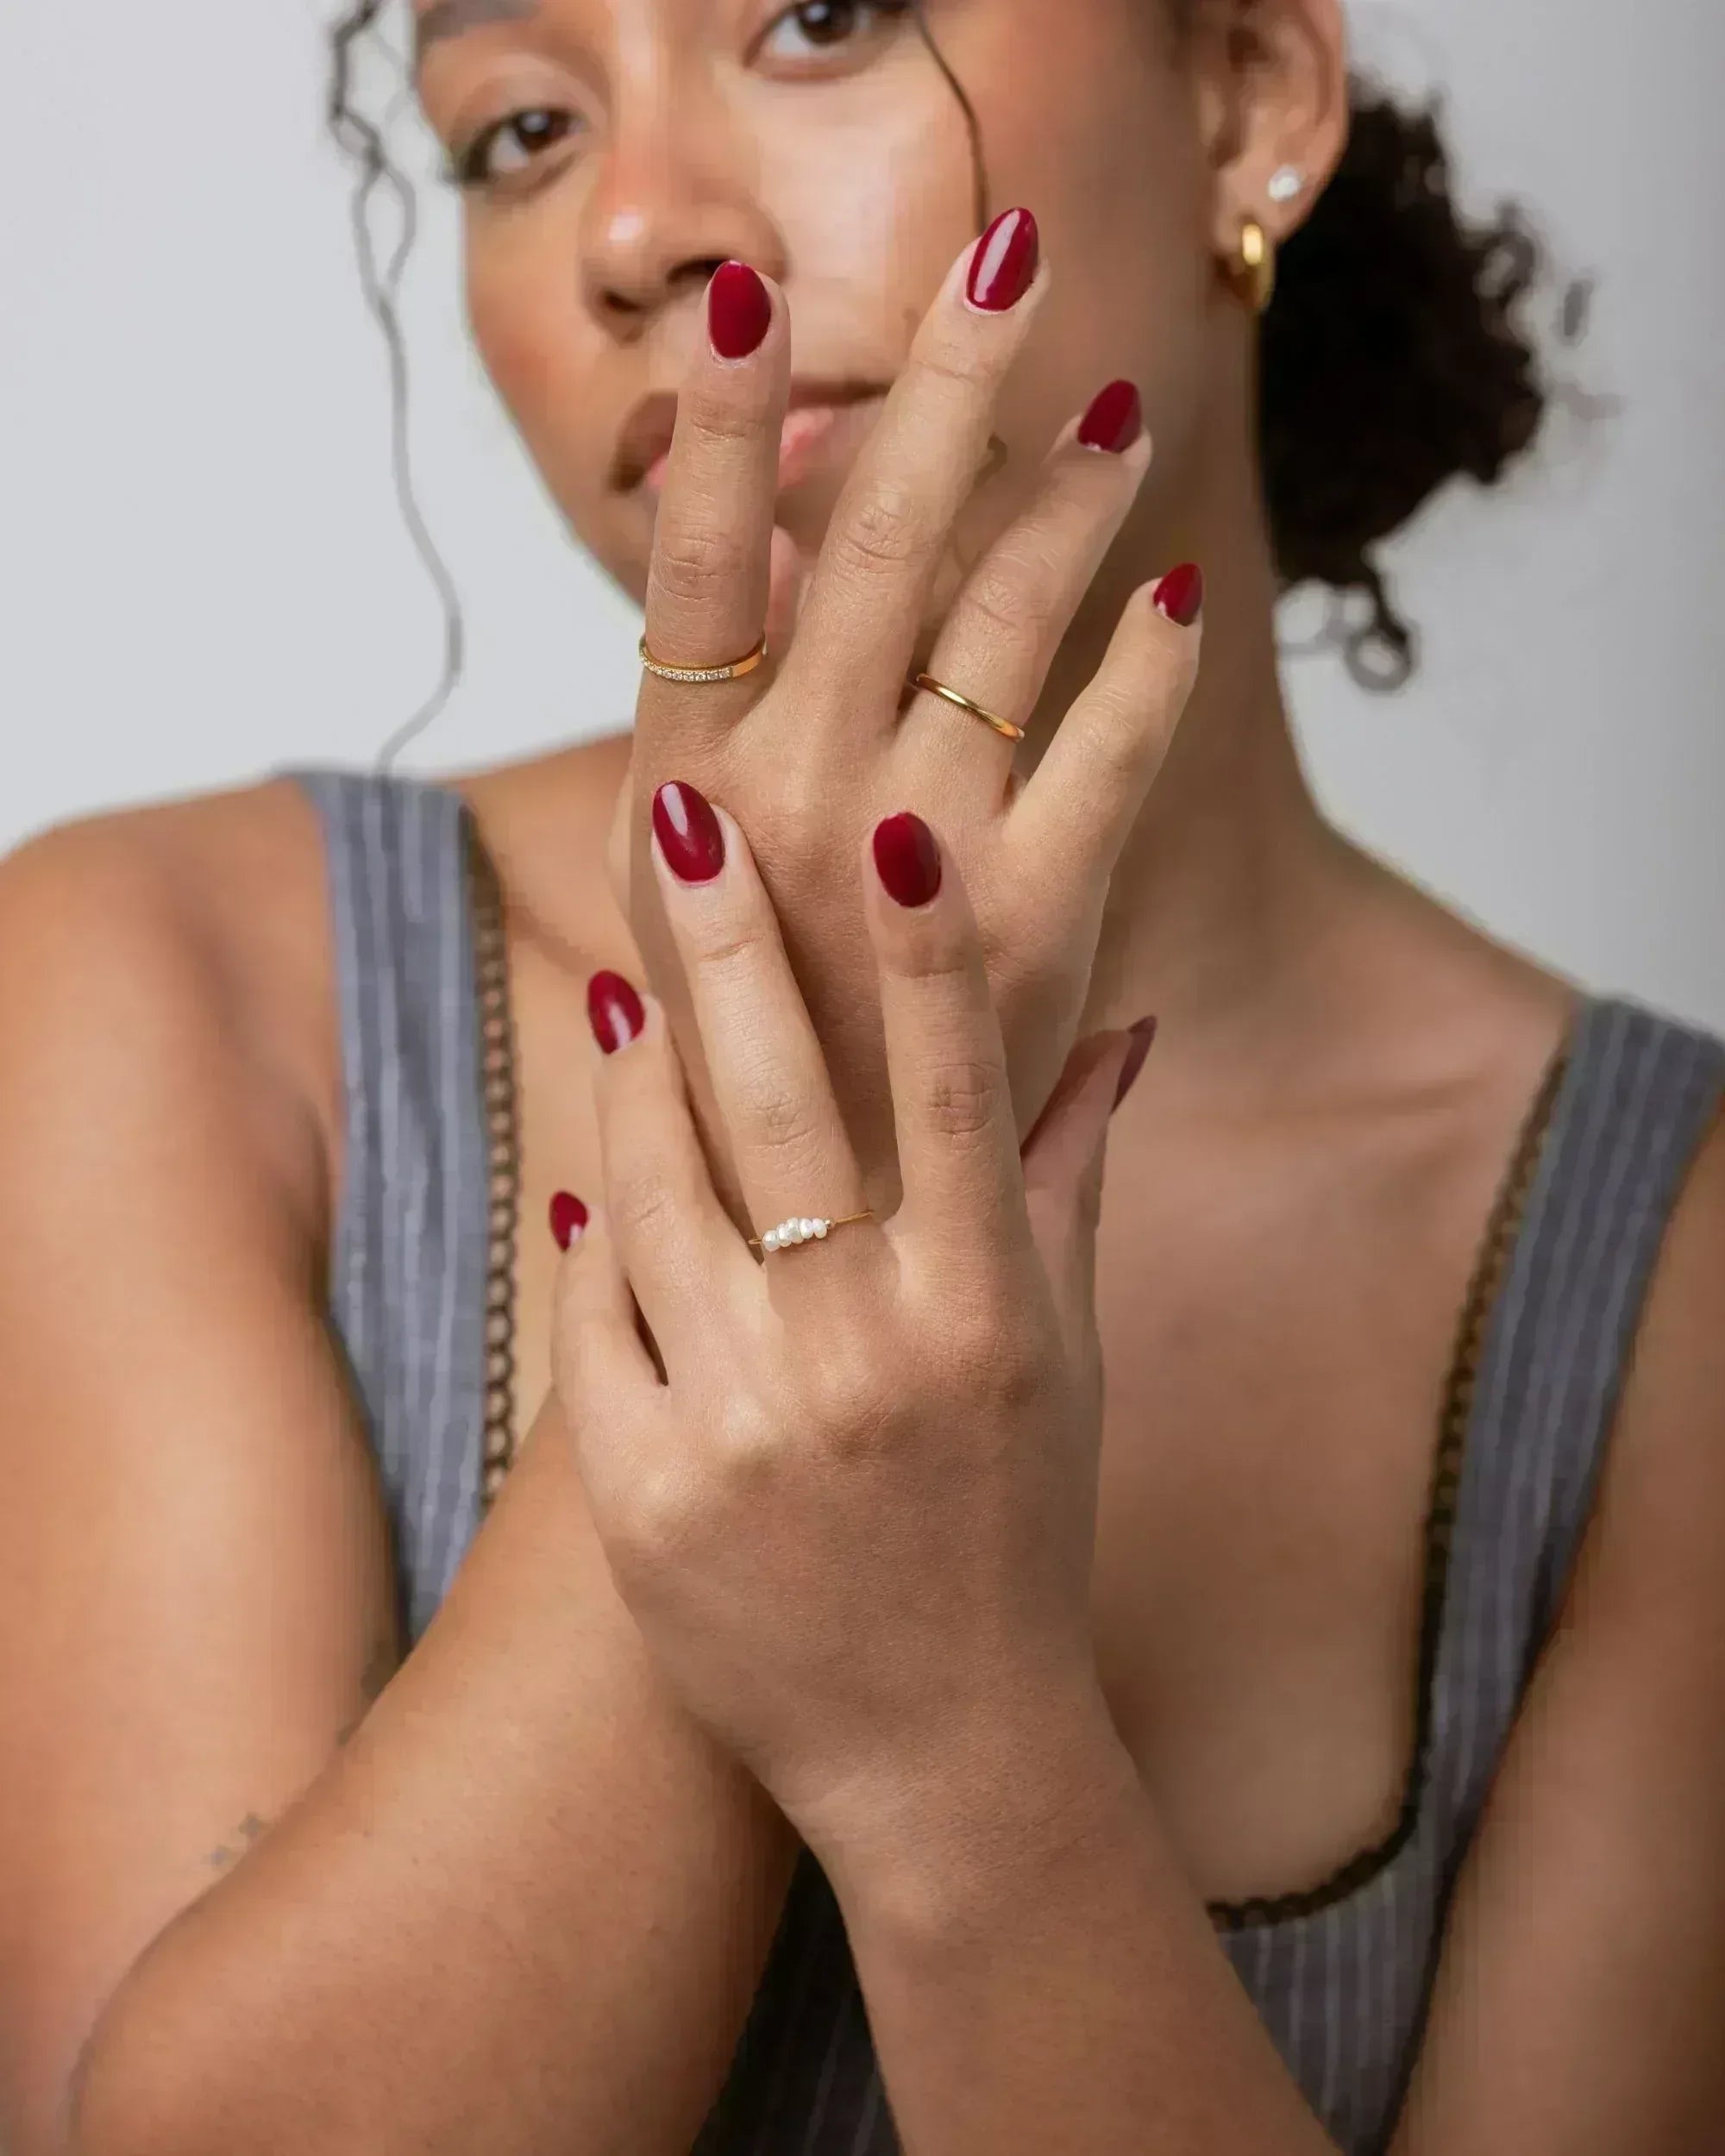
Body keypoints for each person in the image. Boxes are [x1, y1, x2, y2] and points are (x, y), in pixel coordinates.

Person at [1, 2, 1721, 2152]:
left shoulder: (1671, 1276)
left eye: (818, 15)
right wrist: (790, 1099)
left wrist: (950, 1733)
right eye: (521, 125)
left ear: (1250, 98)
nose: (633, 224)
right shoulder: (176, 985)